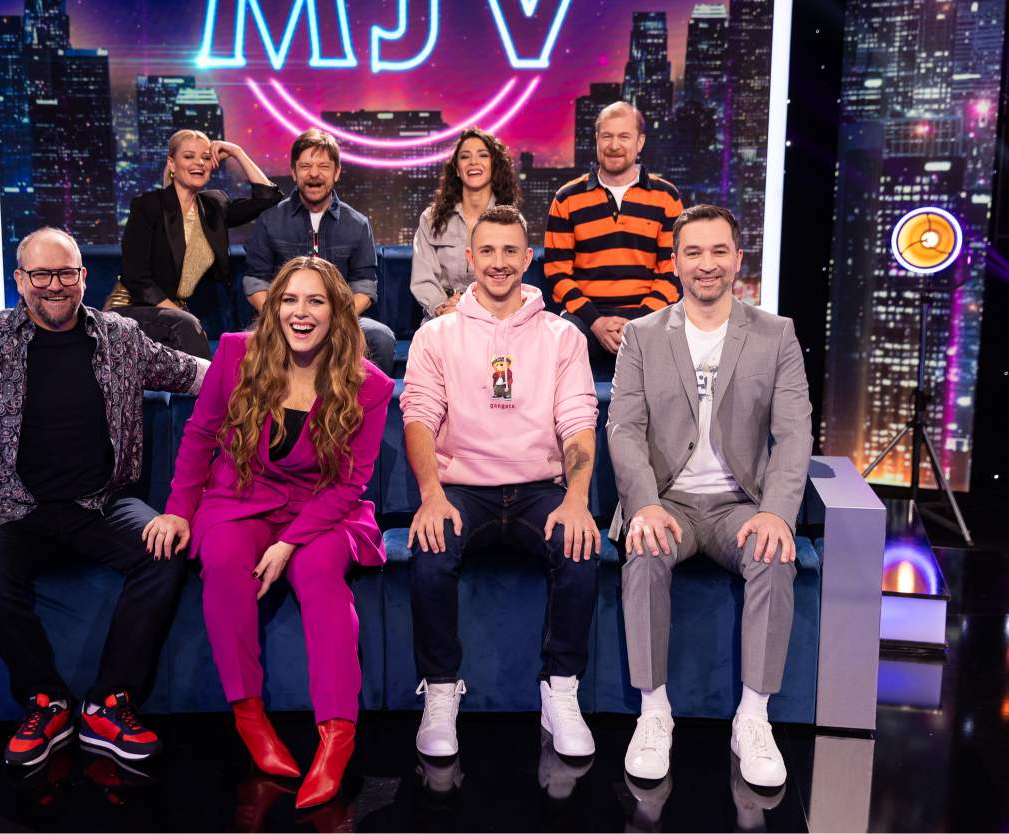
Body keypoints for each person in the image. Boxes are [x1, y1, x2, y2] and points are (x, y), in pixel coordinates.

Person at [0, 227, 209, 767]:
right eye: (42, 274)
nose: (55, 285)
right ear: (20, 279)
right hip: (6, 507)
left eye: (66, 273)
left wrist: (281, 374)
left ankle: (108, 703)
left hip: (101, 503)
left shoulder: (121, 338)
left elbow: (198, 376)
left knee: (164, 553)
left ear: (83, 277)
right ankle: (45, 699)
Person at [152, 256, 393, 808]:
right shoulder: (237, 353)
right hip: (243, 495)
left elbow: (349, 482)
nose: (300, 313)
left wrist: (289, 542)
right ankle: (250, 717)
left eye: (315, 301)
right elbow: (200, 435)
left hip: (323, 508)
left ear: (337, 312)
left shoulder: (369, 385)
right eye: (289, 300)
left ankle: (337, 736)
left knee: (320, 571)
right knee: (223, 558)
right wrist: (177, 511)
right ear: (274, 307)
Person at [606, 205, 812, 788]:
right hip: (666, 500)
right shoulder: (643, 336)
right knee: (644, 550)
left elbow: (795, 433)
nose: (707, 264)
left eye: (719, 251)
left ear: (738, 259)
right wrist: (644, 504)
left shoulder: (776, 334)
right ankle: (654, 713)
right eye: (693, 252)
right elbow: (623, 428)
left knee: (774, 554)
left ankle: (753, 718)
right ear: (674, 263)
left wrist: (776, 513)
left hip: (738, 505)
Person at [400, 204, 602, 758]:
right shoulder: (436, 335)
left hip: (538, 488)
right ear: (470, 258)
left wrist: (577, 499)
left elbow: (578, 421)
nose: (498, 262)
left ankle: (560, 690)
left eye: (510, 250)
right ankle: (441, 692)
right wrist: (431, 496)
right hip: (464, 489)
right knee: (430, 548)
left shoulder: (562, 337)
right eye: (487, 250)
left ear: (528, 257)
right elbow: (419, 417)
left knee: (581, 546)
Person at [544, 101, 684, 376]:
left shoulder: (667, 197)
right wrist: (596, 322)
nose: (614, 145)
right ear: (597, 140)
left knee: (679, 341)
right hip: (586, 317)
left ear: (640, 142)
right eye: (607, 136)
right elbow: (557, 273)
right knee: (559, 341)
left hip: (649, 315)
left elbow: (672, 272)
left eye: (624, 136)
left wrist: (637, 322)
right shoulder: (566, 198)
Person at [116, 129, 282, 359]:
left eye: (205, 157)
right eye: (189, 156)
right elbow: (136, 278)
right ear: (172, 164)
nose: (199, 163)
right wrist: (182, 316)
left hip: (195, 316)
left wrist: (237, 152)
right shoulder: (148, 206)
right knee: (190, 332)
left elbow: (268, 198)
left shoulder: (215, 204)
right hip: (146, 310)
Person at [243, 129, 397, 375]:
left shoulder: (357, 223)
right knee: (246, 343)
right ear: (294, 172)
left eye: (323, 166)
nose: (314, 174)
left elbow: (365, 286)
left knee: (381, 338)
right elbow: (255, 282)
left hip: (339, 319)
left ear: (337, 172)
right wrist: (283, 316)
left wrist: (335, 318)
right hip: (282, 318)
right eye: (305, 166)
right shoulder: (270, 220)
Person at [411, 128, 522, 321]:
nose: (473, 162)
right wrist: (442, 308)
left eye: (482, 155)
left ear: (494, 165)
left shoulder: (512, 221)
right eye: (465, 157)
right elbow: (423, 279)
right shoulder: (431, 219)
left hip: (494, 314)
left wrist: (468, 306)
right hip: (443, 314)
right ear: (457, 169)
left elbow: (510, 280)